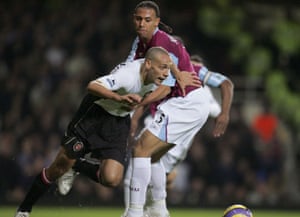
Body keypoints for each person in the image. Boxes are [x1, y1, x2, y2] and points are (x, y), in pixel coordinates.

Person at [14, 46, 174, 217]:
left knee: (111, 178)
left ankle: (76, 165)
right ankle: (24, 209)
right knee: (59, 168)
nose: (166, 73)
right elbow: (92, 86)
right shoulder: (127, 76)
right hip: (94, 115)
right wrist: (118, 98)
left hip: (118, 122)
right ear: (148, 64)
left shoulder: (159, 77)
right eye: (163, 68)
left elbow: (167, 88)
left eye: (168, 68)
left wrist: (139, 108)